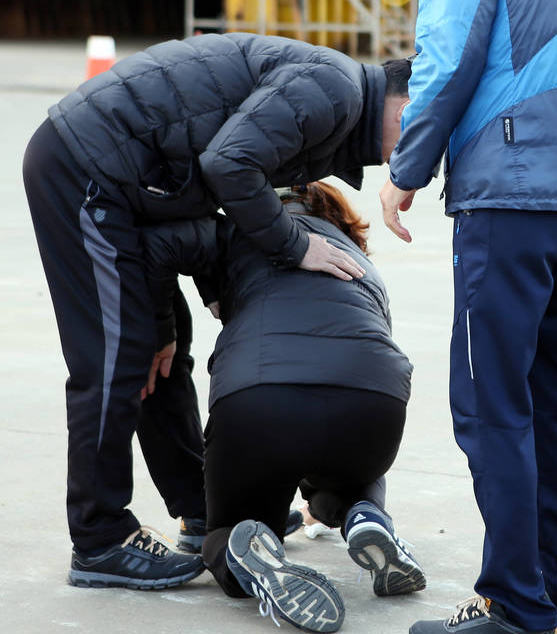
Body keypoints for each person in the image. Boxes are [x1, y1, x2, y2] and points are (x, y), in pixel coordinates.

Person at [22, 34, 411, 588]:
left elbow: (215, 177)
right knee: (111, 357)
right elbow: (230, 165)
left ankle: (198, 505)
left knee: (162, 346)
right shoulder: (337, 89)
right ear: (409, 104)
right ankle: (99, 537)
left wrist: (184, 303)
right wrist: (295, 246)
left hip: (136, 183)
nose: (432, 157)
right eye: (436, 134)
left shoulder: (338, 104)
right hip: (89, 169)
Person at [378, 0, 557, 634]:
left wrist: (406, 167)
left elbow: (449, 47)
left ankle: (518, 607)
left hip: (512, 191)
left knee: (496, 401)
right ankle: (545, 588)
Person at [143, 181, 425, 632]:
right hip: (373, 406)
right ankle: (364, 516)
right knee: (350, 465)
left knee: (225, 534)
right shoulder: (362, 265)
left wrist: (162, 328)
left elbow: (154, 245)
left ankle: (254, 550)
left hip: (260, 403)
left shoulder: (232, 235)